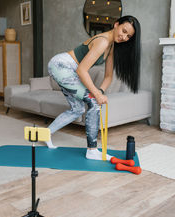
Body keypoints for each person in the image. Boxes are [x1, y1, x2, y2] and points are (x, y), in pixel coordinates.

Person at [45, 15, 141, 160]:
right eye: (124, 30)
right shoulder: (102, 41)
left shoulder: (111, 47)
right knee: (94, 102)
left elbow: (108, 76)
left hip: (69, 70)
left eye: (128, 36)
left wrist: (100, 91)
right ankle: (92, 150)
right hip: (61, 66)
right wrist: (96, 95)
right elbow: (82, 70)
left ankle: (46, 134)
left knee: (78, 109)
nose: (124, 37)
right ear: (116, 25)